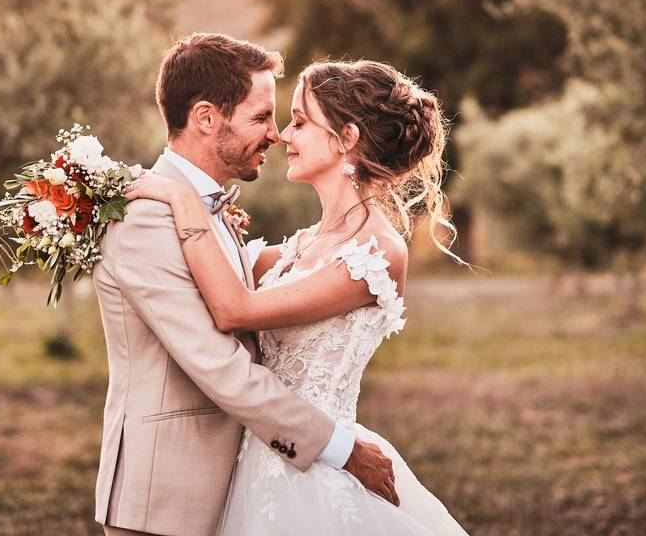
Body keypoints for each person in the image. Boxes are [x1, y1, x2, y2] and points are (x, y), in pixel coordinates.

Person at [123, 58, 470, 535]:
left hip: (317, 472)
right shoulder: (301, 245)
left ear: (346, 138)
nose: (284, 135)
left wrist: (184, 202)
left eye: (301, 122)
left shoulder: (376, 253)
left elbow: (234, 308)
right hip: (258, 459)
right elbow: (214, 276)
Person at [91, 34, 398, 536]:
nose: (276, 135)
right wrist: (340, 448)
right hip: (167, 498)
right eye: (261, 118)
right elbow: (221, 367)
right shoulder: (148, 219)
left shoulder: (201, 209)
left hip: (244, 487)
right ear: (207, 118)